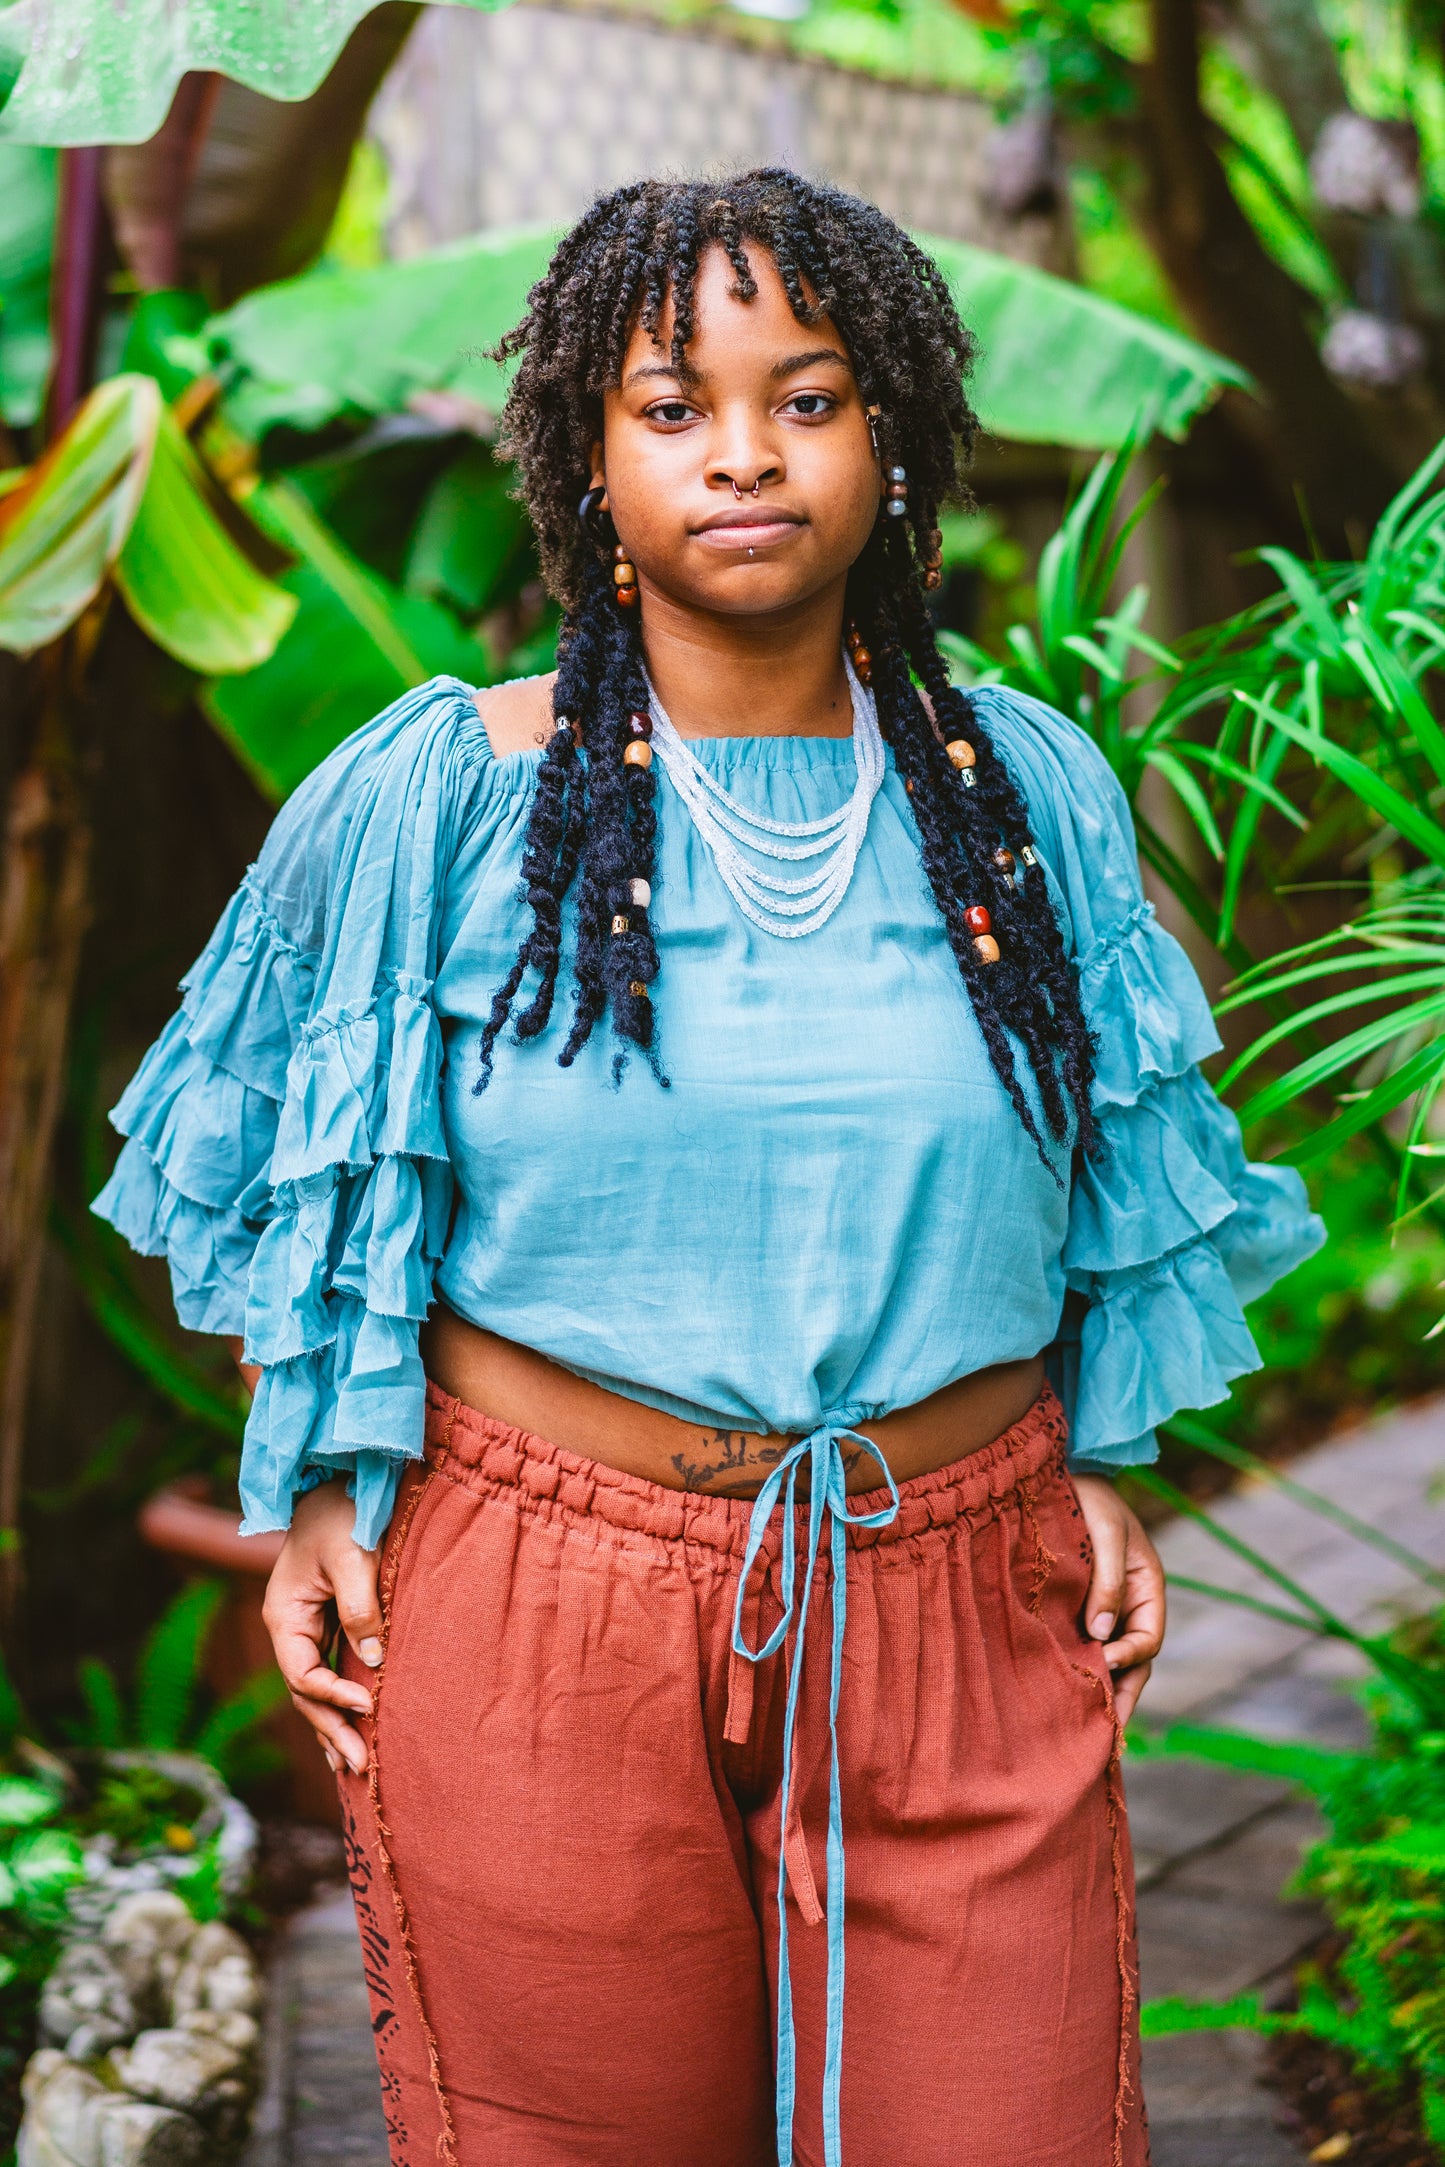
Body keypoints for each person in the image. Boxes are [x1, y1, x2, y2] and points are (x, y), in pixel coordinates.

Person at [95, 171, 1323, 2167]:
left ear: (896, 438)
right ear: (584, 453)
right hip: (538, 1599)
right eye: (671, 407)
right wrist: (324, 1474)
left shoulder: (1027, 792)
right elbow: (299, 1175)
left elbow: (1114, 1164)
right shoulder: (441, 796)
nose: (742, 454)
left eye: (808, 397)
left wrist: (1100, 1454)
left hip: (962, 1585)